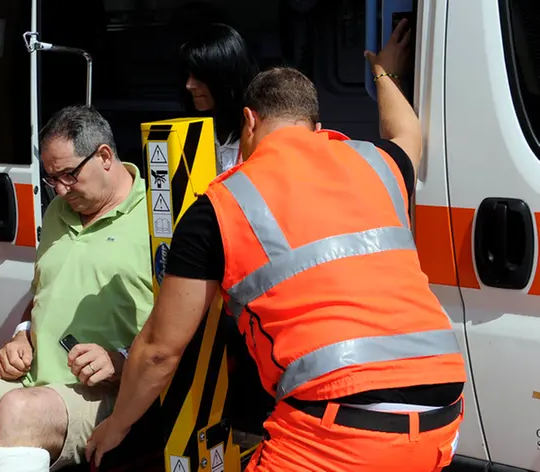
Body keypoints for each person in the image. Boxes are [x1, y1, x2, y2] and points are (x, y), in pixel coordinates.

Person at [87, 19, 467, 471]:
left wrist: (117, 427)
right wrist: (384, 73)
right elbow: (408, 134)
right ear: (316, 125)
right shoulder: (378, 165)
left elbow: (159, 350)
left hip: (339, 429)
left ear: (248, 121)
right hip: (443, 415)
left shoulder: (222, 204)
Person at [0, 105, 154, 472]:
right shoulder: (59, 211)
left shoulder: (156, 218)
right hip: (33, 381)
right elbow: (41, 293)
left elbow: (180, 326)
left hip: (108, 392)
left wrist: (121, 358)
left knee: (20, 412)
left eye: (69, 175)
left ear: (104, 156)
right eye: (52, 178)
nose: (60, 189)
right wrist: (22, 336)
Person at [180, 23, 258, 174]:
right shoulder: (188, 135)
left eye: (199, 77)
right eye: (188, 75)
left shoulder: (260, 134)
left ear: (226, 78)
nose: (189, 85)